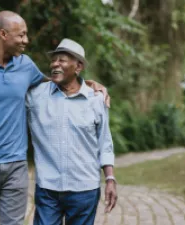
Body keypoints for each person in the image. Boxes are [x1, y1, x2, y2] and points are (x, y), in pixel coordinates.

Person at [0, 11, 109, 225]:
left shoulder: (25, 65)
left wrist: (86, 84)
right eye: (21, 35)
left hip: (16, 166)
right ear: (3, 34)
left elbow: (55, 83)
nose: (26, 40)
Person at [27, 38, 117, 225]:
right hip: (47, 189)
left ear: (78, 66)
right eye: (53, 60)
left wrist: (110, 178)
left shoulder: (96, 100)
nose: (55, 64)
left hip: (85, 190)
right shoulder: (36, 96)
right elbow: (5, 85)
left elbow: (105, 143)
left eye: (62, 60)